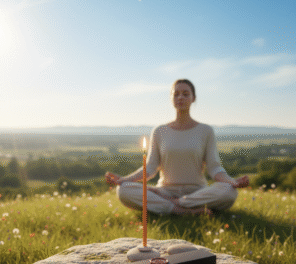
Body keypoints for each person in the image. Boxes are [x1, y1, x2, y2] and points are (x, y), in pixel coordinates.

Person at [105, 79, 249, 216]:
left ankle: (174, 205)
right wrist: (123, 180)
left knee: (229, 191)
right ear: (171, 98)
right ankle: (185, 211)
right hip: (165, 191)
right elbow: (150, 167)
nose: (180, 97)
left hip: (197, 192)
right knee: (123, 190)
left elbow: (214, 167)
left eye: (185, 94)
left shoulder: (206, 131)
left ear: (193, 98)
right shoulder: (159, 131)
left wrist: (232, 181)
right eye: (176, 94)